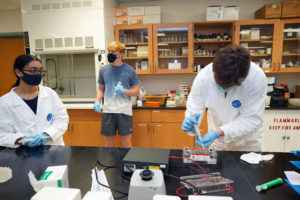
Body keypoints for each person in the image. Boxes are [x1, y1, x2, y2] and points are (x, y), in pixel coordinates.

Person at [182, 45, 267, 151]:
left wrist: (218, 132)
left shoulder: (256, 78)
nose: (222, 87)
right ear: (214, 71)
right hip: (218, 143)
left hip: (246, 143)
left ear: (242, 78)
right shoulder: (204, 77)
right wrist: (191, 122)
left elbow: (251, 118)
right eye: (219, 83)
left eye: (229, 85)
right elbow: (195, 107)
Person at [0, 55, 69, 148]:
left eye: (40, 71)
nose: (38, 74)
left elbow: (62, 120)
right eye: (33, 71)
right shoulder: (5, 102)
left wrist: (46, 135)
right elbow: (2, 134)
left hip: (53, 150)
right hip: (23, 154)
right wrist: (22, 140)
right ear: (19, 72)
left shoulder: (50, 94)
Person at [94, 41, 139, 148]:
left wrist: (124, 91)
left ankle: (127, 165)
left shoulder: (130, 70)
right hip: (108, 110)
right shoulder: (104, 70)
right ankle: (109, 163)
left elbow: (136, 91)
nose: (110, 54)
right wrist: (97, 101)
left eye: (113, 52)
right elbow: (101, 89)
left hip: (124, 111)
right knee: (108, 143)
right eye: (109, 51)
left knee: (126, 142)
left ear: (121, 54)